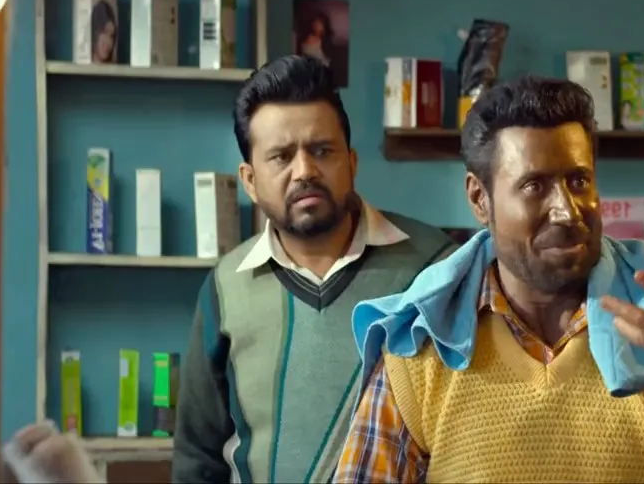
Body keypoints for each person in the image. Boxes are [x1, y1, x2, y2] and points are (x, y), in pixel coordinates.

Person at [332, 76, 644, 483]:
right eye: (534, 186)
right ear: (479, 199)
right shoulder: (422, 344)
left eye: (579, 180)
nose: (566, 210)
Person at [172, 56, 456, 483]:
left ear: (352, 162)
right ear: (249, 180)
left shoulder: (436, 267)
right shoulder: (226, 287)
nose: (304, 171)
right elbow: (197, 457)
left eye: (322, 151)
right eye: (281, 157)